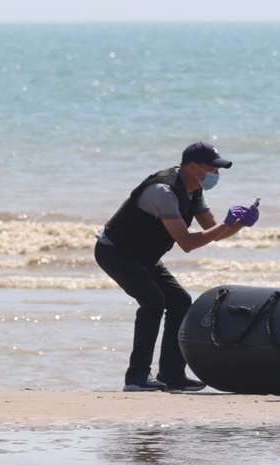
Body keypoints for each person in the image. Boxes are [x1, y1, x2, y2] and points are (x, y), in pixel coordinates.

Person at [95, 142, 254, 391]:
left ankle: (171, 375)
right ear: (191, 166)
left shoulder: (194, 190)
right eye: (212, 168)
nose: (216, 175)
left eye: (218, 170)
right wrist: (226, 224)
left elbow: (212, 232)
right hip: (116, 252)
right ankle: (136, 378)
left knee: (180, 301)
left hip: (144, 256)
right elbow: (188, 243)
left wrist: (239, 224)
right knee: (153, 301)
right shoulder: (163, 192)